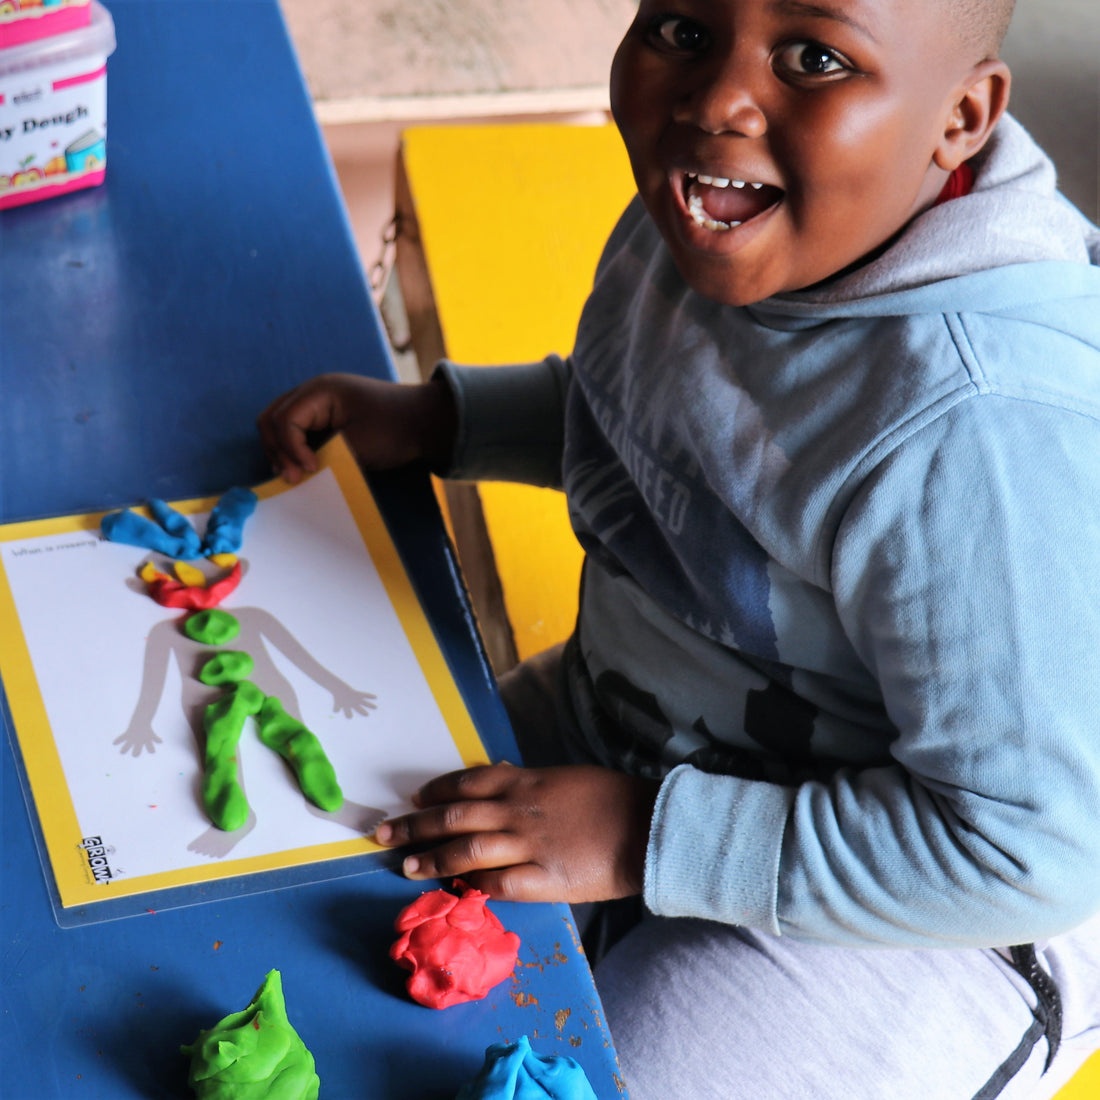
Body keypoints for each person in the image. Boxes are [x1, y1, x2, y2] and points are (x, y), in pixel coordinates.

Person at [258, 0, 1100, 1094]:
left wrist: (645, 834)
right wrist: (445, 424)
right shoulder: (717, 212)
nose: (713, 101)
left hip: (931, 895)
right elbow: (656, 429)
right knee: (297, 843)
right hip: (637, 727)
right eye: (681, 30)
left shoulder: (977, 433)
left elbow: (1019, 847)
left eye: (813, 57)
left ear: (959, 117)